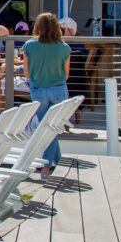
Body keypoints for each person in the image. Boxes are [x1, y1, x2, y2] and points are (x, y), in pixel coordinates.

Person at [23, 13, 71, 178]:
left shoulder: (29, 46)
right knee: (52, 127)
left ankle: (51, 163)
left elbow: (26, 73)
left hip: (38, 90)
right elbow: (66, 75)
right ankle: (49, 165)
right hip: (58, 89)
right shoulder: (64, 47)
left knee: (48, 128)